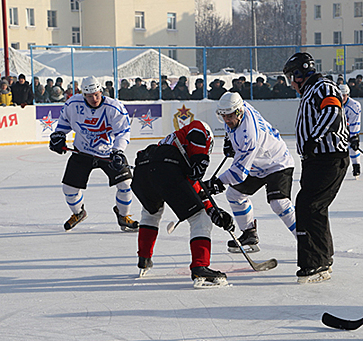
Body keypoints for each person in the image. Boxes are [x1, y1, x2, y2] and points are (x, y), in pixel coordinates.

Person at [131, 120, 234, 288]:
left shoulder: (172, 146)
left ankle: (144, 259)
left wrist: (214, 212)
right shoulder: (202, 131)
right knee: (200, 219)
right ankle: (200, 266)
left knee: (151, 213)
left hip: (143, 171)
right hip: (164, 169)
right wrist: (201, 158)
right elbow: (197, 128)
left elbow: (194, 190)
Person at [283, 52, 349, 284]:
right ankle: (322, 258)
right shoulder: (311, 90)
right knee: (313, 207)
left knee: (308, 205)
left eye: (292, 77)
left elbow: (333, 112)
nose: (291, 83)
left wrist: (313, 139)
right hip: (318, 160)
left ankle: (315, 263)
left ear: (300, 74)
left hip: (328, 158)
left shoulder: (322, 86)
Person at [204, 92, 297, 254]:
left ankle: (306, 240)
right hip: (257, 163)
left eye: (230, 116)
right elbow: (232, 126)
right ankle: (249, 234)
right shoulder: (239, 109)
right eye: (223, 116)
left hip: (276, 162)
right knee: (234, 195)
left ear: (239, 112)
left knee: (279, 203)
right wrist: (229, 141)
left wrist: (217, 184)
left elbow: (238, 174)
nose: (226, 120)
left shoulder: (248, 136)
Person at [48, 76, 139, 232]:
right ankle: (79, 212)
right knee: (69, 189)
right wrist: (59, 137)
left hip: (108, 153)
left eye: (96, 94)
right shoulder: (73, 104)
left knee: (125, 184)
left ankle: (123, 216)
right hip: (82, 152)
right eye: (89, 96)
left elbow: (123, 132)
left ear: (101, 91)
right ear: (83, 95)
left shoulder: (114, 107)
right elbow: (63, 123)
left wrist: (118, 152)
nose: (94, 98)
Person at [339, 84, 361, 177]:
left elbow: (355, 122)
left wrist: (353, 136)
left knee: (353, 148)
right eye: (340, 95)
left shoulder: (354, 106)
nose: (342, 98)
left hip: (350, 128)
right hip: (338, 129)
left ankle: (356, 166)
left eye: (344, 95)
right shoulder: (333, 104)